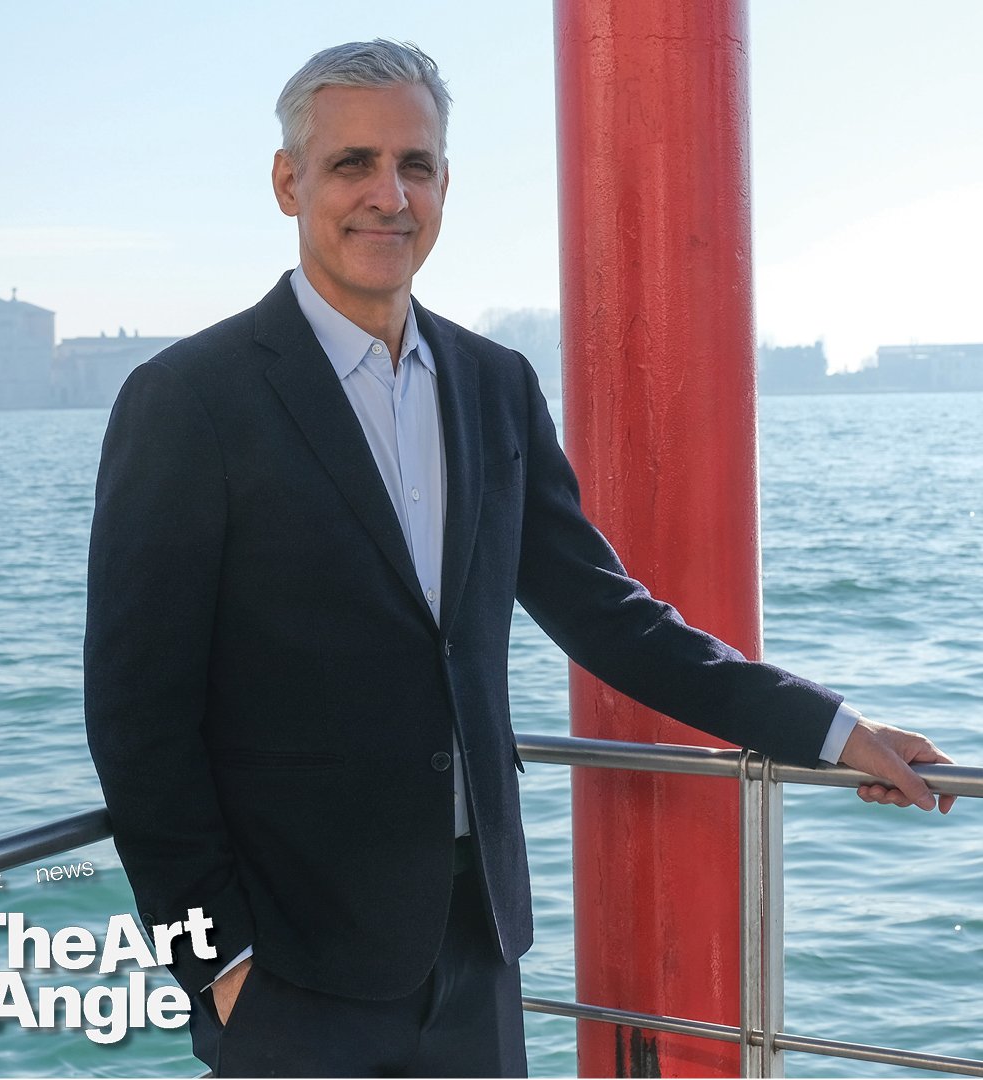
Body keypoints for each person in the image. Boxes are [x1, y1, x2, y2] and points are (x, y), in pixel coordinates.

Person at [84, 39, 954, 1079]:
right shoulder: (190, 399)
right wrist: (215, 957)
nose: (388, 195)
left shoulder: (494, 384)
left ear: (446, 183)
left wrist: (834, 729)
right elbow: (138, 711)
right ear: (289, 182)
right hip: (288, 968)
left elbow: (610, 617)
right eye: (353, 164)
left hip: (475, 939)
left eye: (416, 164)